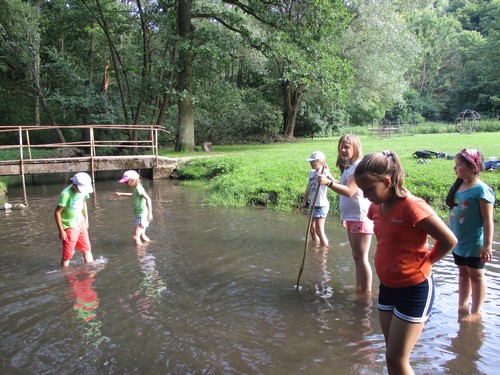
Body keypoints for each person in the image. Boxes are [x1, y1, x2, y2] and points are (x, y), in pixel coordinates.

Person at [354, 150, 457, 375]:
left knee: (397, 358)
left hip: (415, 289)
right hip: (388, 288)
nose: (364, 196)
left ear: (387, 181)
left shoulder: (412, 206)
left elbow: (449, 240)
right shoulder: (375, 207)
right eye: (362, 190)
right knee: (390, 356)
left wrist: (427, 262)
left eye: (369, 189)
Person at [318, 134, 374, 295]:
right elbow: (343, 187)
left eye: (347, 147)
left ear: (356, 148)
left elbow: (349, 191)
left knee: (361, 258)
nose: (342, 150)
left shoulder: (357, 167)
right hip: (352, 217)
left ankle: (365, 292)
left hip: (360, 217)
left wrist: (328, 183)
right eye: (341, 146)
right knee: (356, 257)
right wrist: (331, 179)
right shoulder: (350, 167)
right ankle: (360, 287)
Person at [446, 149, 495, 322]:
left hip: (475, 243)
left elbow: (488, 220)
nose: (455, 168)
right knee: (462, 273)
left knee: (476, 275)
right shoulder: (458, 186)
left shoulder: (481, 191)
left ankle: (476, 312)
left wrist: (487, 245)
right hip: (458, 241)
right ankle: (463, 305)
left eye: (458, 165)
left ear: (472, 167)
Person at [55, 172, 95, 267]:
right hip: (69, 227)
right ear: (74, 185)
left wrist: (86, 219)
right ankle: (66, 275)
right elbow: (57, 213)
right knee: (68, 255)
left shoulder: (83, 191)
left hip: (80, 222)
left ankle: (91, 270)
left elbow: (83, 203)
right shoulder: (66, 194)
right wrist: (61, 231)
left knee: (87, 248)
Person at [300, 151, 333, 246]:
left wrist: (326, 169)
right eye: (310, 161)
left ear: (320, 162)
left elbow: (333, 181)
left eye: (313, 161)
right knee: (312, 229)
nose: (310, 163)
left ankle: (324, 250)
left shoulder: (324, 172)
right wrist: (303, 202)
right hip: (313, 204)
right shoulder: (311, 173)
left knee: (319, 230)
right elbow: (308, 188)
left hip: (321, 205)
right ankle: (316, 246)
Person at [115, 170, 153, 246]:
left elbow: (148, 199)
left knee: (135, 237)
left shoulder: (139, 188)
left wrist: (150, 213)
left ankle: (141, 255)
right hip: (140, 215)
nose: (126, 184)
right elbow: (134, 195)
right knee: (142, 236)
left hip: (142, 215)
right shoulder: (135, 188)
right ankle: (154, 245)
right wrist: (121, 194)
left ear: (133, 180)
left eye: (126, 182)